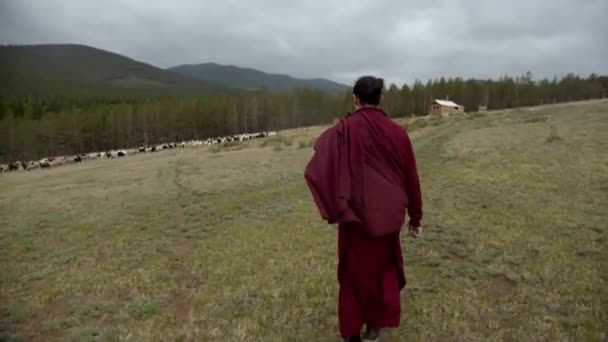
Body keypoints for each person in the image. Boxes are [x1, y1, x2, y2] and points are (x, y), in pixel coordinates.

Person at [304, 76, 423, 341]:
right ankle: (375, 326)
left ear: (355, 99)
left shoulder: (344, 130)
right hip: (388, 221)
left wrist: (334, 203)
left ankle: (353, 334)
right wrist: (415, 218)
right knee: (382, 272)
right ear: (380, 98)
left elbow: (319, 164)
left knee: (354, 276)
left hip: (355, 220)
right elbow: (411, 179)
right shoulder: (398, 133)